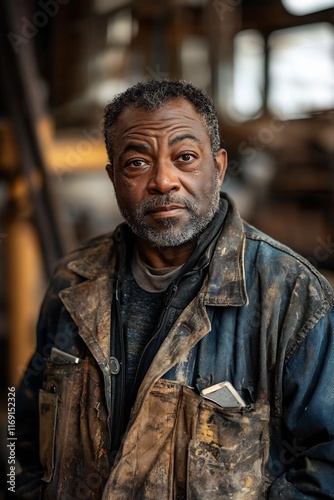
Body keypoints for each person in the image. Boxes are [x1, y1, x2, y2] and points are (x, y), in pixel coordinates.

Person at [14, 80, 334, 499]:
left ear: (218, 168)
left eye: (185, 158)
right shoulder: (73, 282)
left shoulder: (291, 295)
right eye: (137, 163)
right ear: (113, 178)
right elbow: (17, 425)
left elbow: (325, 466)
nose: (164, 181)